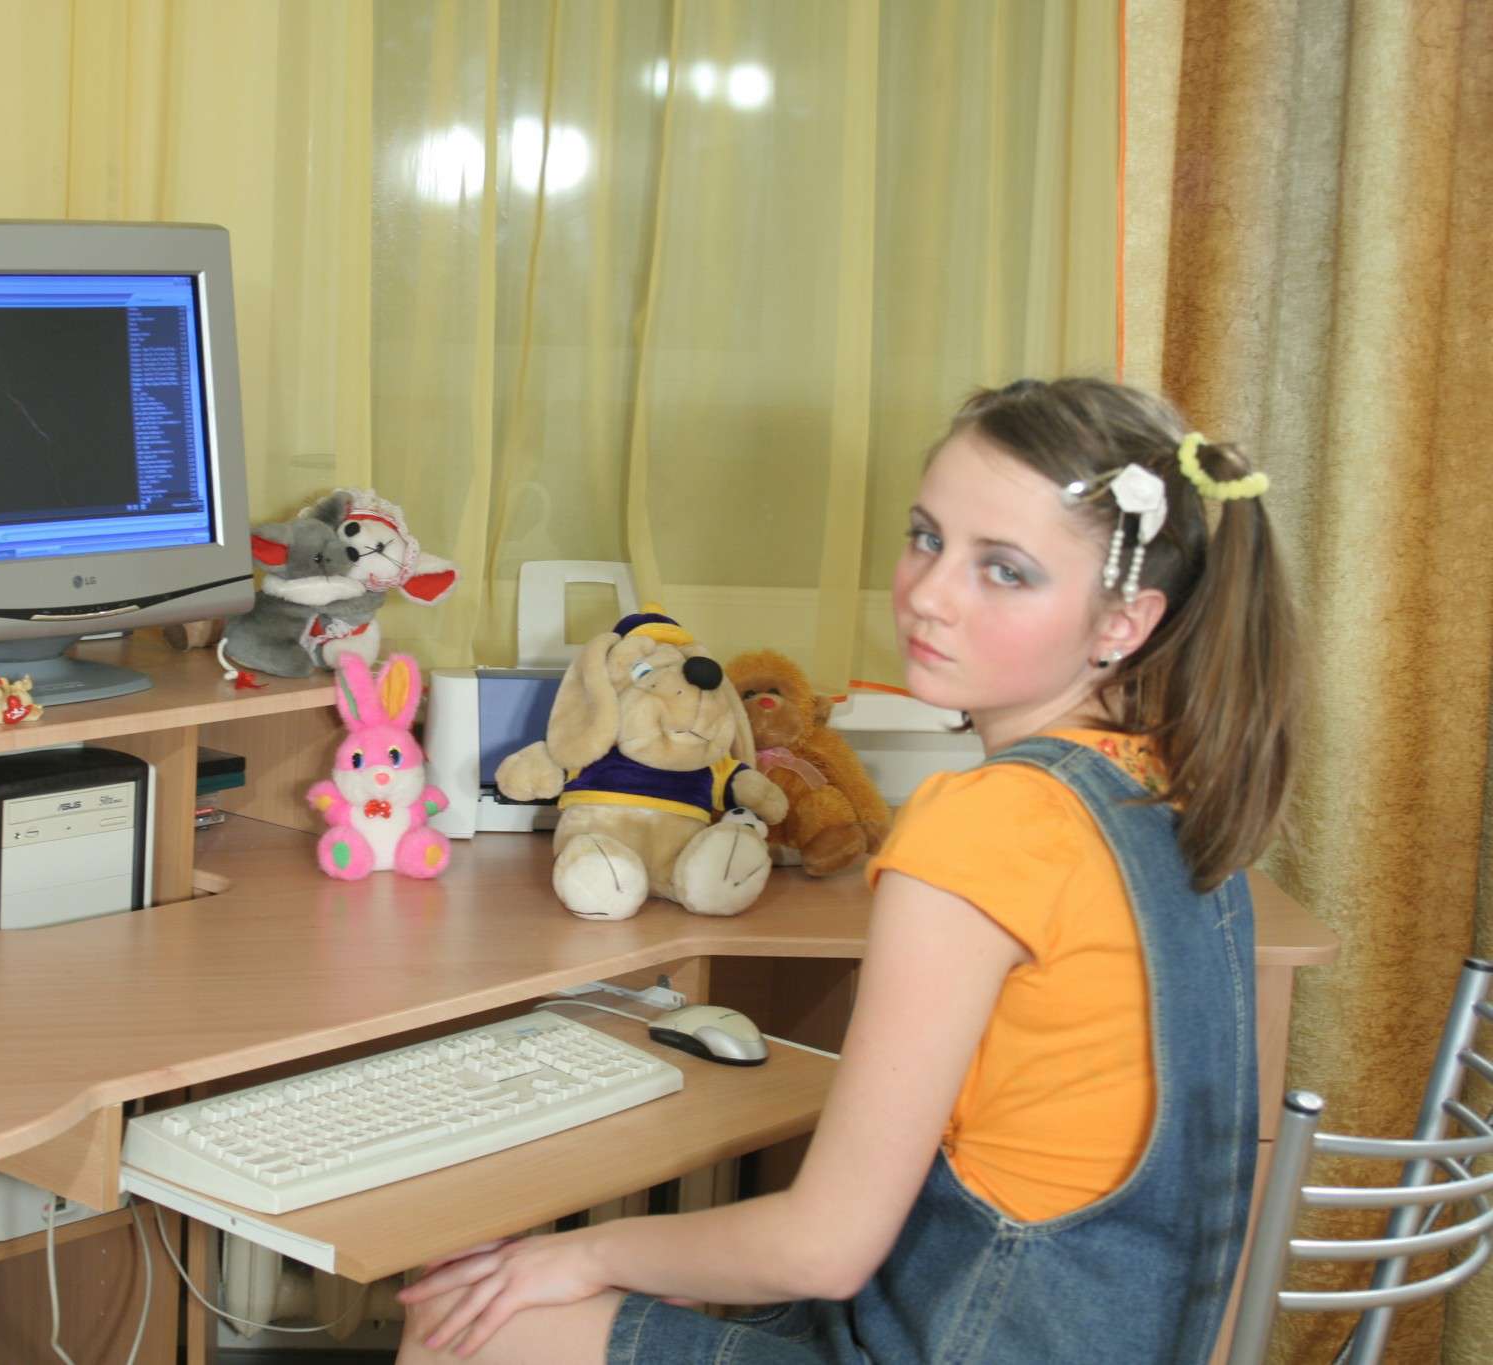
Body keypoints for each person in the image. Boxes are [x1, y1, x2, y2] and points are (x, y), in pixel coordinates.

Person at [395, 377, 1298, 1363]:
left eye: (1003, 571)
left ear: (1123, 622)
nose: (929, 594)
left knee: (475, 1322)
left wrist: (576, 1255)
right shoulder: (1163, 788)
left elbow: (821, 1250)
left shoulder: (990, 824)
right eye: (926, 537)